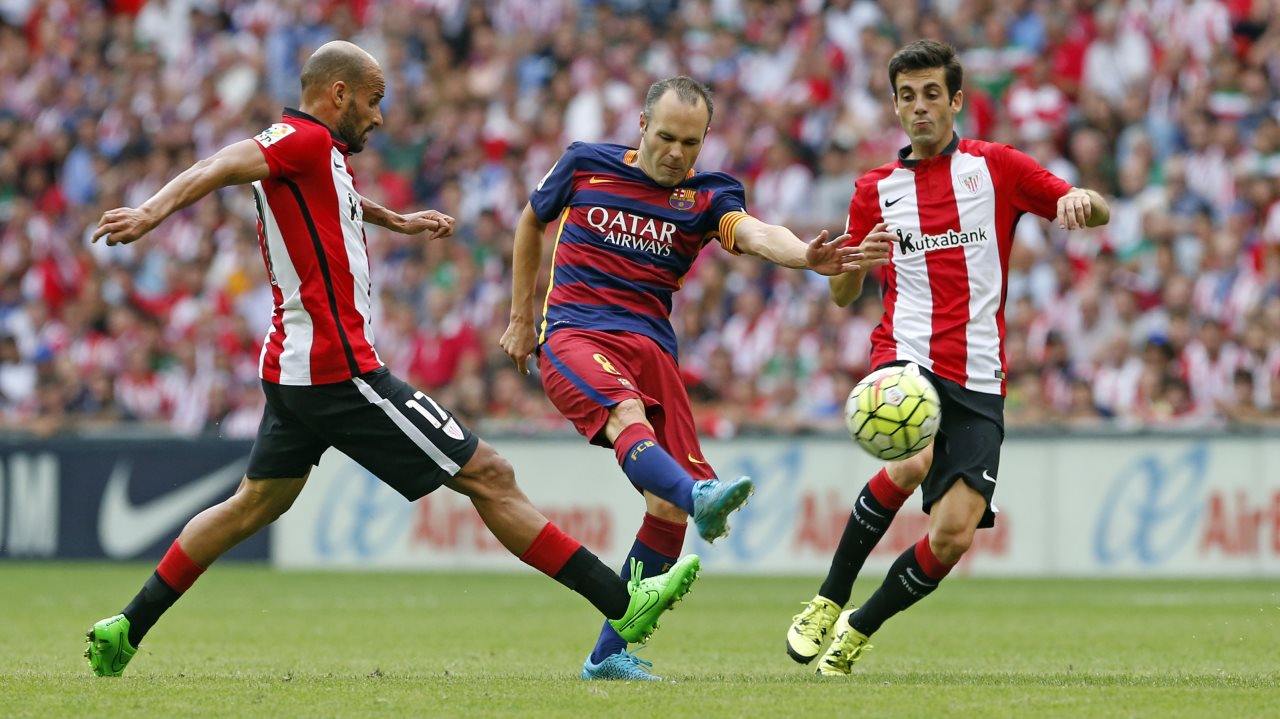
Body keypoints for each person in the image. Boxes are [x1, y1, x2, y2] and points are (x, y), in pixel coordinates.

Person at [83, 41, 702, 678]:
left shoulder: (320, 155)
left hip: (293, 369)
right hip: (339, 369)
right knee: (487, 474)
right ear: (339, 94)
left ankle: (128, 626)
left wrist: (396, 221)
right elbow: (223, 162)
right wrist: (151, 211)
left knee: (250, 505)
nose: (380, 117)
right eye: (374, 101)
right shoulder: (295, 139)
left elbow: (337, 202)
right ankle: (622, 601)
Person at [500, 76, 864, 681]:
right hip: (575, 333)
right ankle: (700, 494)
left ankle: (608, 655)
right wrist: (519, 319)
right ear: (642, 127)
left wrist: (805, 256)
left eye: (690, 143)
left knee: (662, 511)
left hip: (652, 352)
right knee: (632, 425)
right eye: (666, 137)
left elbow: (753, 232)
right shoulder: (585, 163)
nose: (676, 153)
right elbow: (529, 223)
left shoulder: (706, 196)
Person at [784, 39, 1110, 676]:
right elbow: (844, 295)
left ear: (956, 100)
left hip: (981, 375)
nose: (920, 107)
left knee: (953, 535)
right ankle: (827, 599)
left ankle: (857, 627)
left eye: (932, 94)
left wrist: (1082, 200)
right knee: (913, 456)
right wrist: (849, 267)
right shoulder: (875, 189)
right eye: (907, 96)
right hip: (904, 357)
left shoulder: (998, 168)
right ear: (896, 107)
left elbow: (1097, 211)